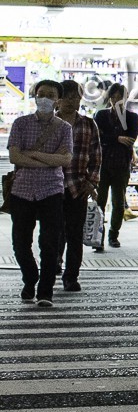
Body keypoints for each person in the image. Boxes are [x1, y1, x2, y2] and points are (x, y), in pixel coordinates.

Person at [8, 80, 73, 308]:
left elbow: (65, 160)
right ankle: (30, 277)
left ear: (58, 100)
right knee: (20, 243)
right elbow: (15, 157)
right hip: (22, 191)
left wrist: (32, 155)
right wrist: (48, 160)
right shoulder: (21, 124)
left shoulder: (64, 128)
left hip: (51, 191)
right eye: (41, 94)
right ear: (35, 96)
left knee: (49, 243)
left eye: (50, 95)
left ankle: (45, 292)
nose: (44, 98)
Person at [55, 81, 100, 294]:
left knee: (74, 234)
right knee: (52, 232)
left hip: (77, 186)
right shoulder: (48, 122)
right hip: (50, 186)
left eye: (76, 97)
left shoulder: (88, 124)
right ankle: (53, 263)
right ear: (59, 99)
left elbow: (96, 155)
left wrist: (91, 182)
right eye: (68, 96)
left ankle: (71, 276)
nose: (72, 101)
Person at [93, 82, 137, 249]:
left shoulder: (132, 117)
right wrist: (118, 138)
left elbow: (131, 138)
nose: (116, 100)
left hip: (121, 165)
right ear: (109, 98)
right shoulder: (101, 115)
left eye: (120, 97)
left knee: (119, 203)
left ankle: (113, 235)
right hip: (103, 164)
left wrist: (110, 137)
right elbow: (98, 137)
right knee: (100, 202)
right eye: (114, 97)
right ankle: (99, 237)